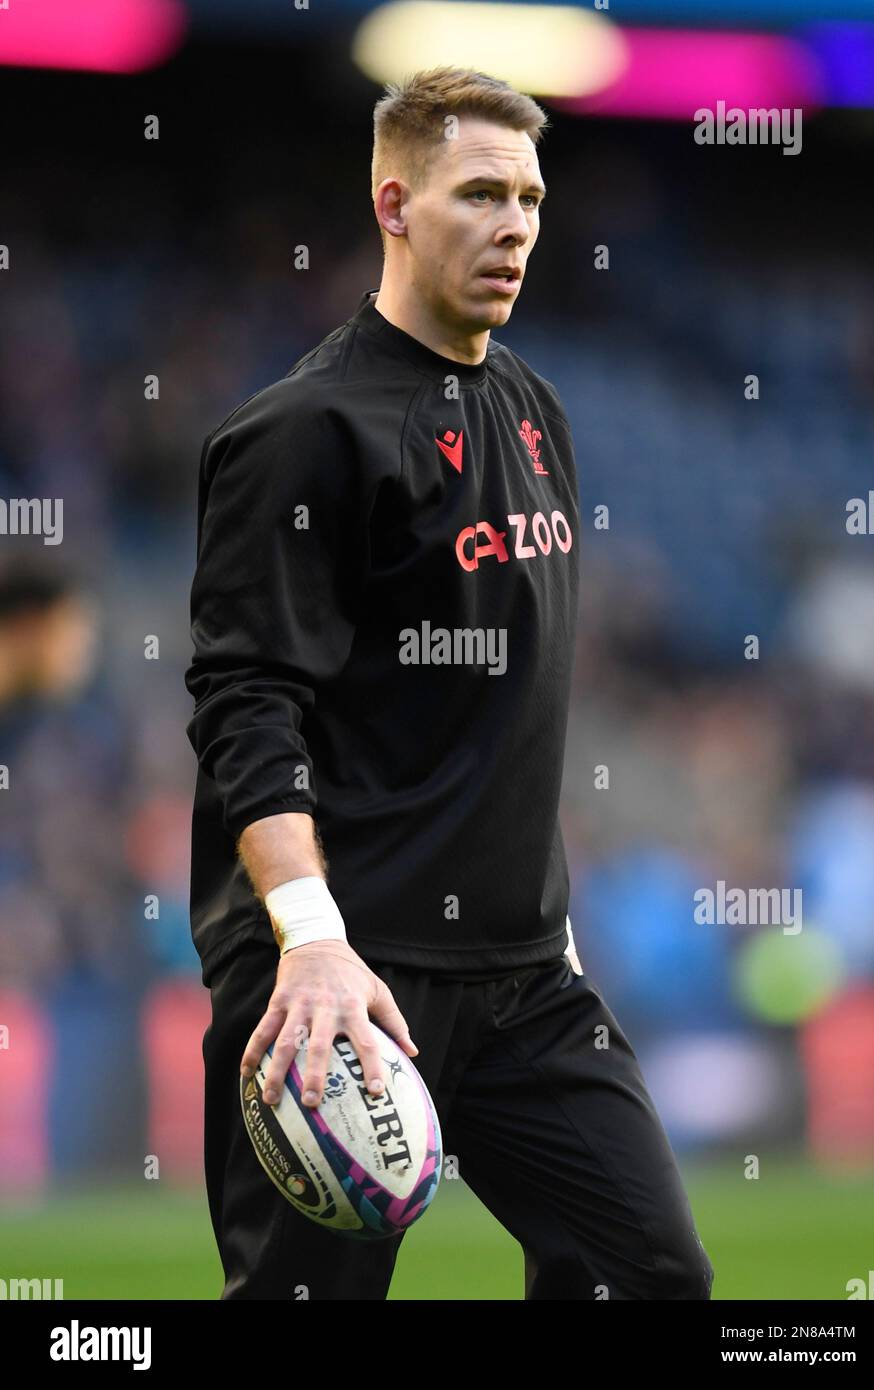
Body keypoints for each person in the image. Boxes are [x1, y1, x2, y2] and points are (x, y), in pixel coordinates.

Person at [185, 65, 714, 1301]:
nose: (516, 225)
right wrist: (308, 942)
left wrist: (550, 918)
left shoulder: (535, 408)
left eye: (530, 198)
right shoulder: (298, 434)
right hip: (341, 978)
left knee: (652, 1278)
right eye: (479, 193)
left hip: (527, 977)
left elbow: (504, 710)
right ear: (395, 205)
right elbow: (246, 704)